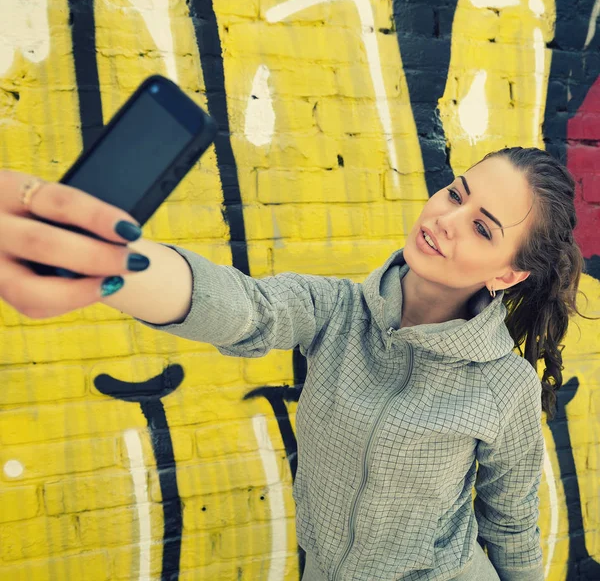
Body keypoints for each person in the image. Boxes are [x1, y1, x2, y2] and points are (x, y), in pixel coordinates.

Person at [0, 147, 586, 580]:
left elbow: (509, 527)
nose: (445, 221)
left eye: (481, 228)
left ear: (507, 274)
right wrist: (116, 264)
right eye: (456, 194)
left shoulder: (503, 386)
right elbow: (245, 309)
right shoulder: (335, 311)